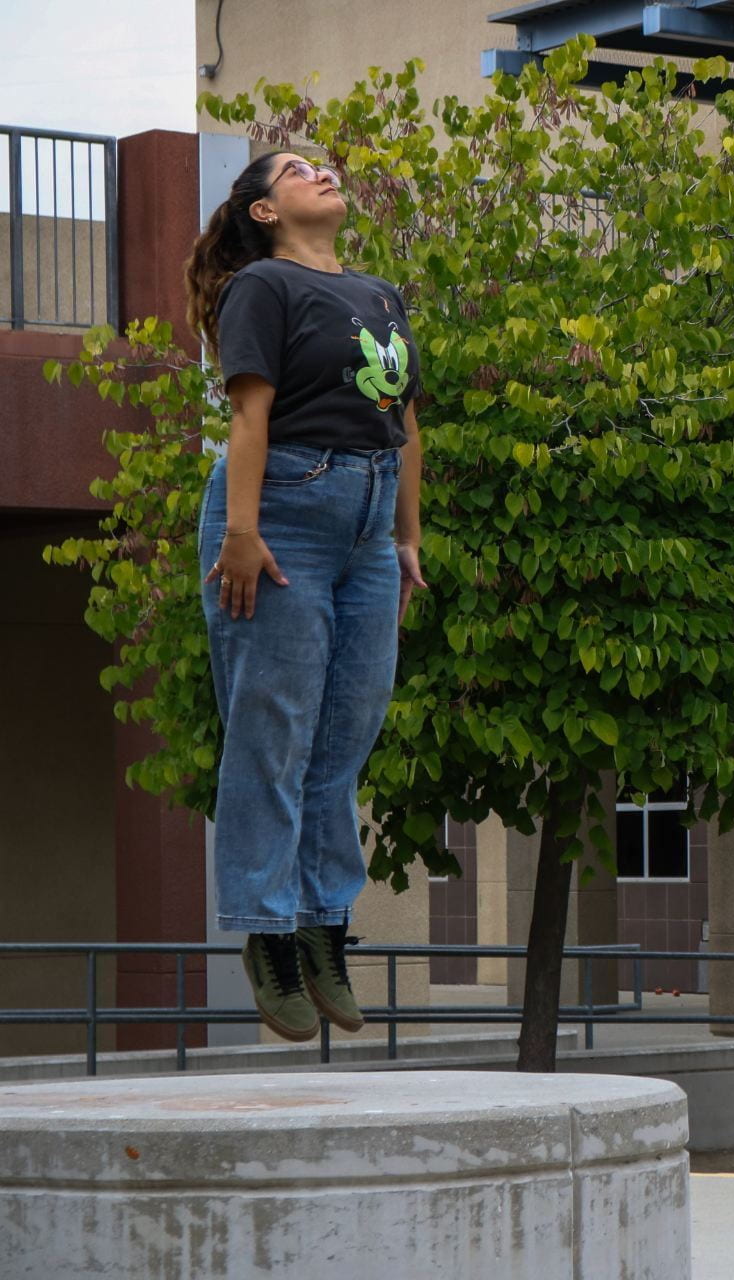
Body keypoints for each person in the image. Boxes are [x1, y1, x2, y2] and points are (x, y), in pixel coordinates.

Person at [186, 152, 428, 1042]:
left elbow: (404, 423)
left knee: (347, 734)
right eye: (298, 169)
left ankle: (326, 923)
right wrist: (242, 532)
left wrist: (406, 537)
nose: (322, 173)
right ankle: (268, 931)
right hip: (283, 507)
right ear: (264, 210)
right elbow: (249, 415)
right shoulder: (263, 286)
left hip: (368, 522)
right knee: (273, 730)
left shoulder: (380, 294)